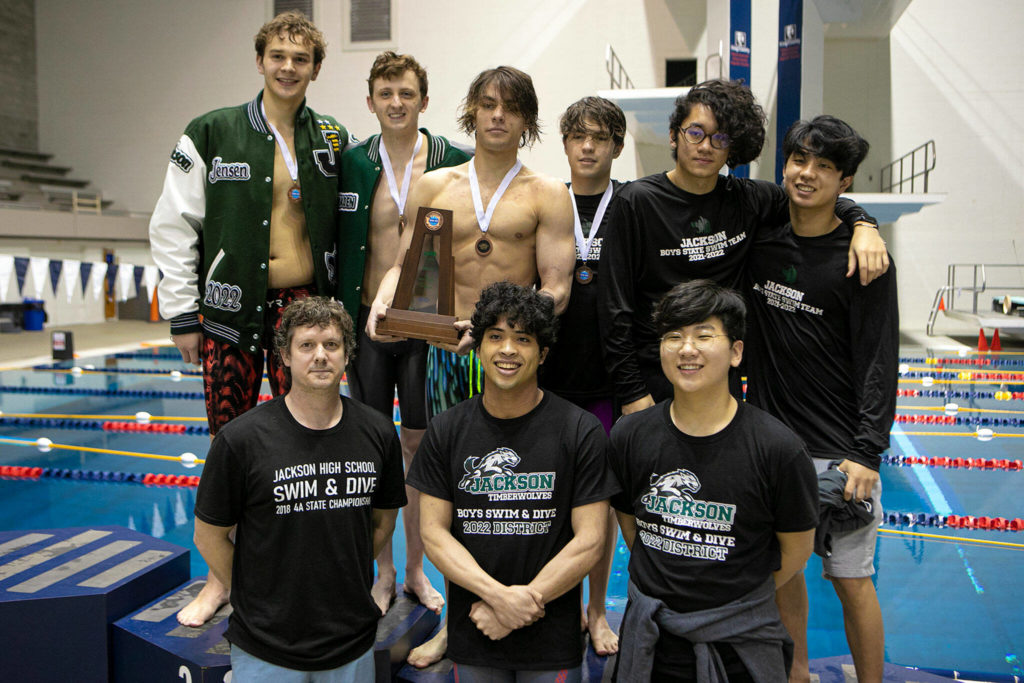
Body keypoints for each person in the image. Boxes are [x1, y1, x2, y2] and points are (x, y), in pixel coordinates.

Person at [149, 11, 351, 626]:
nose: (288, 68)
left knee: (310, 443)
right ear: (260, 60)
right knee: (228, 443)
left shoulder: (334, 139)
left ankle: (302, 569)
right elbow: (172, 224)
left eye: (301, 58)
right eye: (278, 56)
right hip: (230, 311)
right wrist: (183, 312)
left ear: (316, 68)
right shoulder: (210, 131)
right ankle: (220, 578)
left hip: (303, 313)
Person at [598, 79, 888, 416]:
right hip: (654, 377)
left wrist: (863, 223)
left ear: (731, 148)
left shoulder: (749, 199)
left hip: (723, 377)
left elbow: (812, 198)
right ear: (674, 135)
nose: (706, 146)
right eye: (696, 133)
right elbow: (613, 308)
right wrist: (632, 391)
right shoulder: (637, 202)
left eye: (719, 138)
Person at [744, 116, 897, 683]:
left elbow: (881, 360)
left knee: (852, 578)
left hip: (841, 452)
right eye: (800, 160)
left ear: (845, 180)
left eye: (825, 167)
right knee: (784, 574)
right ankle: (798, 673)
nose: (807, 174)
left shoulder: (865, 259)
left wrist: (867, 452)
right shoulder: (762, 237)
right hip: (772, 445)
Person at [406, 281, 617, 681]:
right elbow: (433, 533)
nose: (507, 350)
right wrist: (497, 597)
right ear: (480, 348)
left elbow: (590, 539)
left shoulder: (580, 431)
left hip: (550, 632)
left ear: (543, 354)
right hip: (476, 623)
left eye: (522, 339)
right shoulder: (447, 430)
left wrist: (522, 604)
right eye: (496, 337)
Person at [609, 280, 817, 682]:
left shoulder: (777, 448)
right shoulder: (630, 436)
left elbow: (797, 548)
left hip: (738, 641)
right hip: (651, 640)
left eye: (704, 336)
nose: (687, 350)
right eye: (674, 337)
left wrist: (732, 593)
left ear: (736, 351)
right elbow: (630, 524)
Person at [193, 296, 406, 680]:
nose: (320, 356)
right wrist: (253, 595)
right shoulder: (241, 440)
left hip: (351, 640)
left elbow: (382, 523)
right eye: (306, 345)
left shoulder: (377, 432)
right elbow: (208, 537)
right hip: (267, 646)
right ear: (286, 357)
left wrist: (345, 575)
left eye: (332, 345)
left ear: (346, 355)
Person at [337, 51, 471, 619]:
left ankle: (415, 567)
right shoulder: (350, 164)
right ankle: (381, 569)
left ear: (423, 100)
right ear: (370, 102)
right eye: (385, 93)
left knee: (420, 447)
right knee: (371, 450)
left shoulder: (452, 161)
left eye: (406, 93)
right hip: (368, 320)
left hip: (426, 324)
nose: (396, 103)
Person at [367, 65, 575, 419]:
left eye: (511, 107)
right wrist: (380, 304)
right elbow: (404, 267)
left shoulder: (549, 193)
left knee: (506, 455)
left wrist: (497, 329)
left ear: (527, 120)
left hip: (510, 348)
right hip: (446, 350)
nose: (498, 115)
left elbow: (558, 289)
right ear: (472, 112)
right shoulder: (434, 186)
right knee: (447, 453)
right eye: (488, 104)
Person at [539, 95, 626, 656]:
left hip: (613, 381)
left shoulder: (634, 205)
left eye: (599, 137)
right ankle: (561, 603)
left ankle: (596, 611)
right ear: (565, 143)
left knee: (606, 504)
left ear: (617, 146)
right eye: (578, 136)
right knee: (552, 501)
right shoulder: (549, 203)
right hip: (551, 379)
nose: (588, 146)